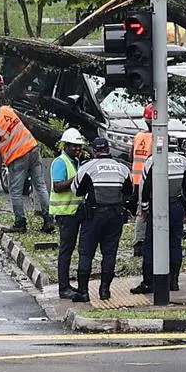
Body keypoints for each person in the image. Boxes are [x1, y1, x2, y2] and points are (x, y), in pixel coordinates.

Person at [0, 98, 53, 235]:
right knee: (40, 186)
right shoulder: (6, 109)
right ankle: (48, 220)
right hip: (32, 147)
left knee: (15, 191)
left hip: (18, 158)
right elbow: (21, 124)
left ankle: (20, 223)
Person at [73, 137, 134, 302]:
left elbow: (77, 191)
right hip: (115, 216)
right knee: (110, 253)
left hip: (93, 215)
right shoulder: (122, 168)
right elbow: (129, 191)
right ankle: (105, 291)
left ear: (94, 150)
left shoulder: (88, 167)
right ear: (108, 150)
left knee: (86, 253)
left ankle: (83, 292)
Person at [131, 149, 186, 294]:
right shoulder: (182, 160)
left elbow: (145, 187)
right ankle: (173, 281)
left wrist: (145, 208)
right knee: (175, 243)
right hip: (176, 205)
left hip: (158, 206)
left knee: (150, 244)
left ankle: (149, 282)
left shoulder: (153, 161)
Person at [50, 128, 86, 300]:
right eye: (74, 146)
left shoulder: (75, 161)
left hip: (75, 211)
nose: (77, 149)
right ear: (66, 145)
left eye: (79, 146)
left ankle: (67, 285)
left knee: (72, 250)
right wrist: (78, 179)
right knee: (65, 251)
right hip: (65, 213)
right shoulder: (60, 162)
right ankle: (63, 287)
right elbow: (57, 186)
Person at [130, 104, 155, 258]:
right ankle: (143, 243)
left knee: (141, 212)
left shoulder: (138, 136)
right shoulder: (158, 138)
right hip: (149, 179)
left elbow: (131, 155)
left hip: (137, 179)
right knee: (149, 211)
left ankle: (139, 243)